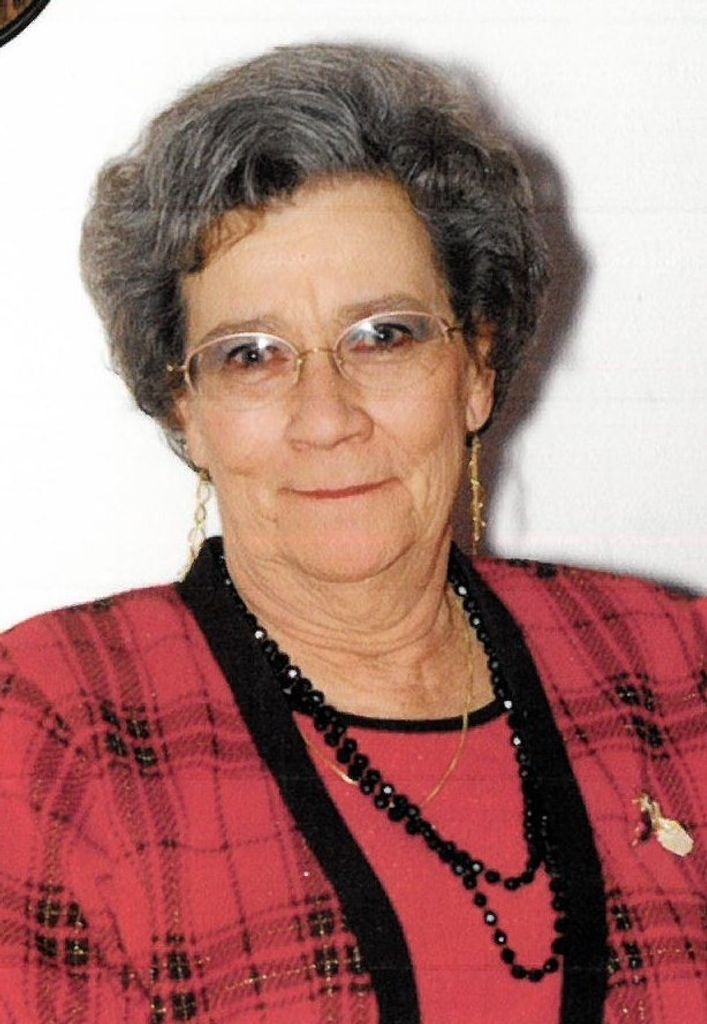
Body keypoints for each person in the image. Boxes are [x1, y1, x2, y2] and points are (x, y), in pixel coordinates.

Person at [0, 42, 704, 1024]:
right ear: (185, 407)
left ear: (475, 367)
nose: (325, 417)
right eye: (251, 355)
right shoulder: (61, 723)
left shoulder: (671, 670)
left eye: (382, 335)